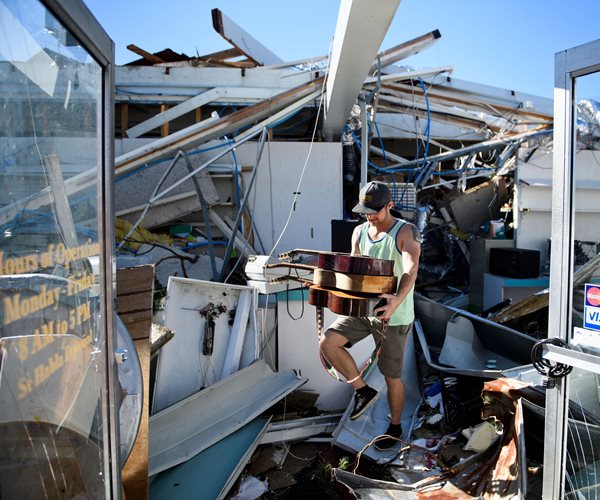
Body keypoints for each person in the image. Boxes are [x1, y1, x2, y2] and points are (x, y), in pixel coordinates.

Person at [319, 181, 421, 450]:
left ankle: (395, 427)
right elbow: (355, 271)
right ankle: (363, 391)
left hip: (394, 316)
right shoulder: (359, 232)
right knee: (328, 342)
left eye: (375, 211)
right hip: (364, 311)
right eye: (365, 212)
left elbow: (411, 268)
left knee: (391, 377)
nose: (370, 217)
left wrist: (396, 301)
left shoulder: (405, 231)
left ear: (390, 206)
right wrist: (328, 285)